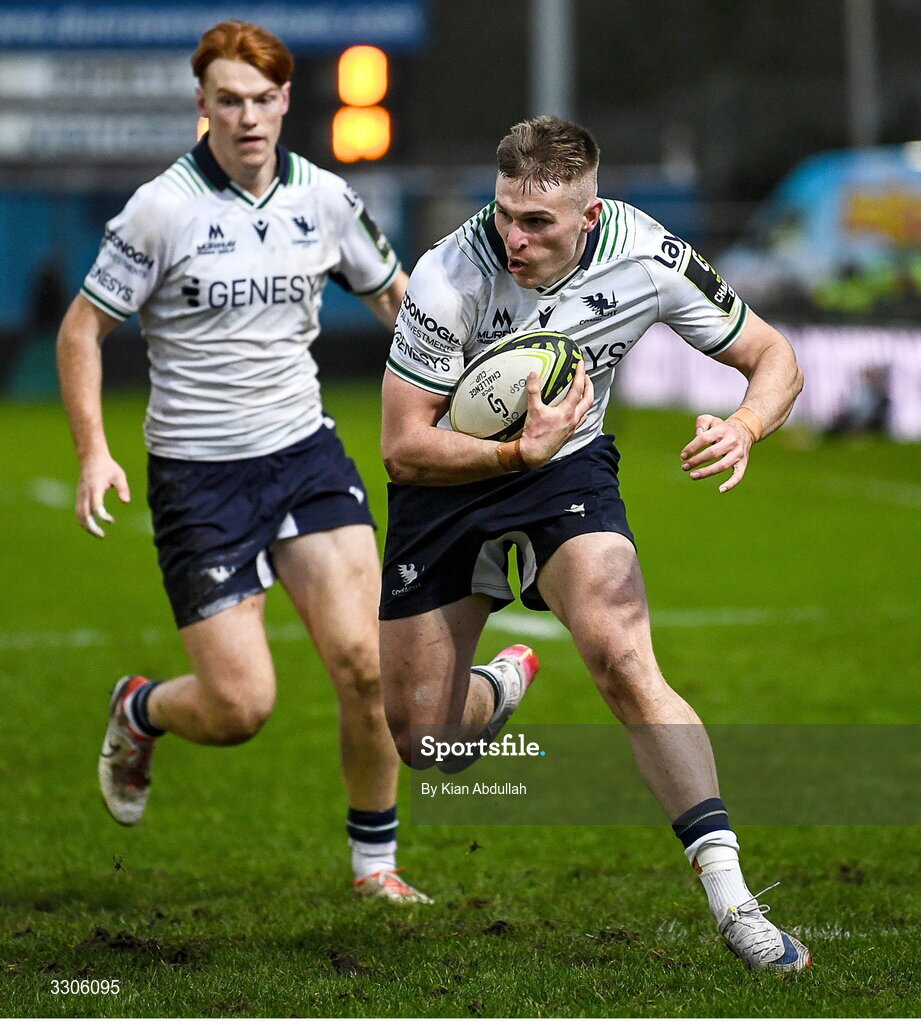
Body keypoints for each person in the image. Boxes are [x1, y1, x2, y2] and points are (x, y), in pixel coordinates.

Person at [378, 116, 811, 964]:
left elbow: (772, 354)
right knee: (426, 741)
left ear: (589, 214)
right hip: (447, 479)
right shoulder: (447, 274)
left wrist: (747, 426)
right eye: (505, 212)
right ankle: (499, 687)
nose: (513, 236)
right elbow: (402, 444)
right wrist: (510, 450)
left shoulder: (646, 256)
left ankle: (732, 901)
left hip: (566, 472)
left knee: (621, 657)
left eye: (537, 222)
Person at [56, 20, 429, 904]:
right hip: (199, 477)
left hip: (304, 453)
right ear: (203, 106)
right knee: (239, 709)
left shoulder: (326, 199)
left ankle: (374, 868)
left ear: (286, 100)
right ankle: (140, 709)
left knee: (367, 664)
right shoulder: (161, 210)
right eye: (229, 100)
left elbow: (397, 300)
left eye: (263, 100)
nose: (248, 118)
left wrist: (467, 379)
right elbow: (82, 330)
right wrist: (93, 453)